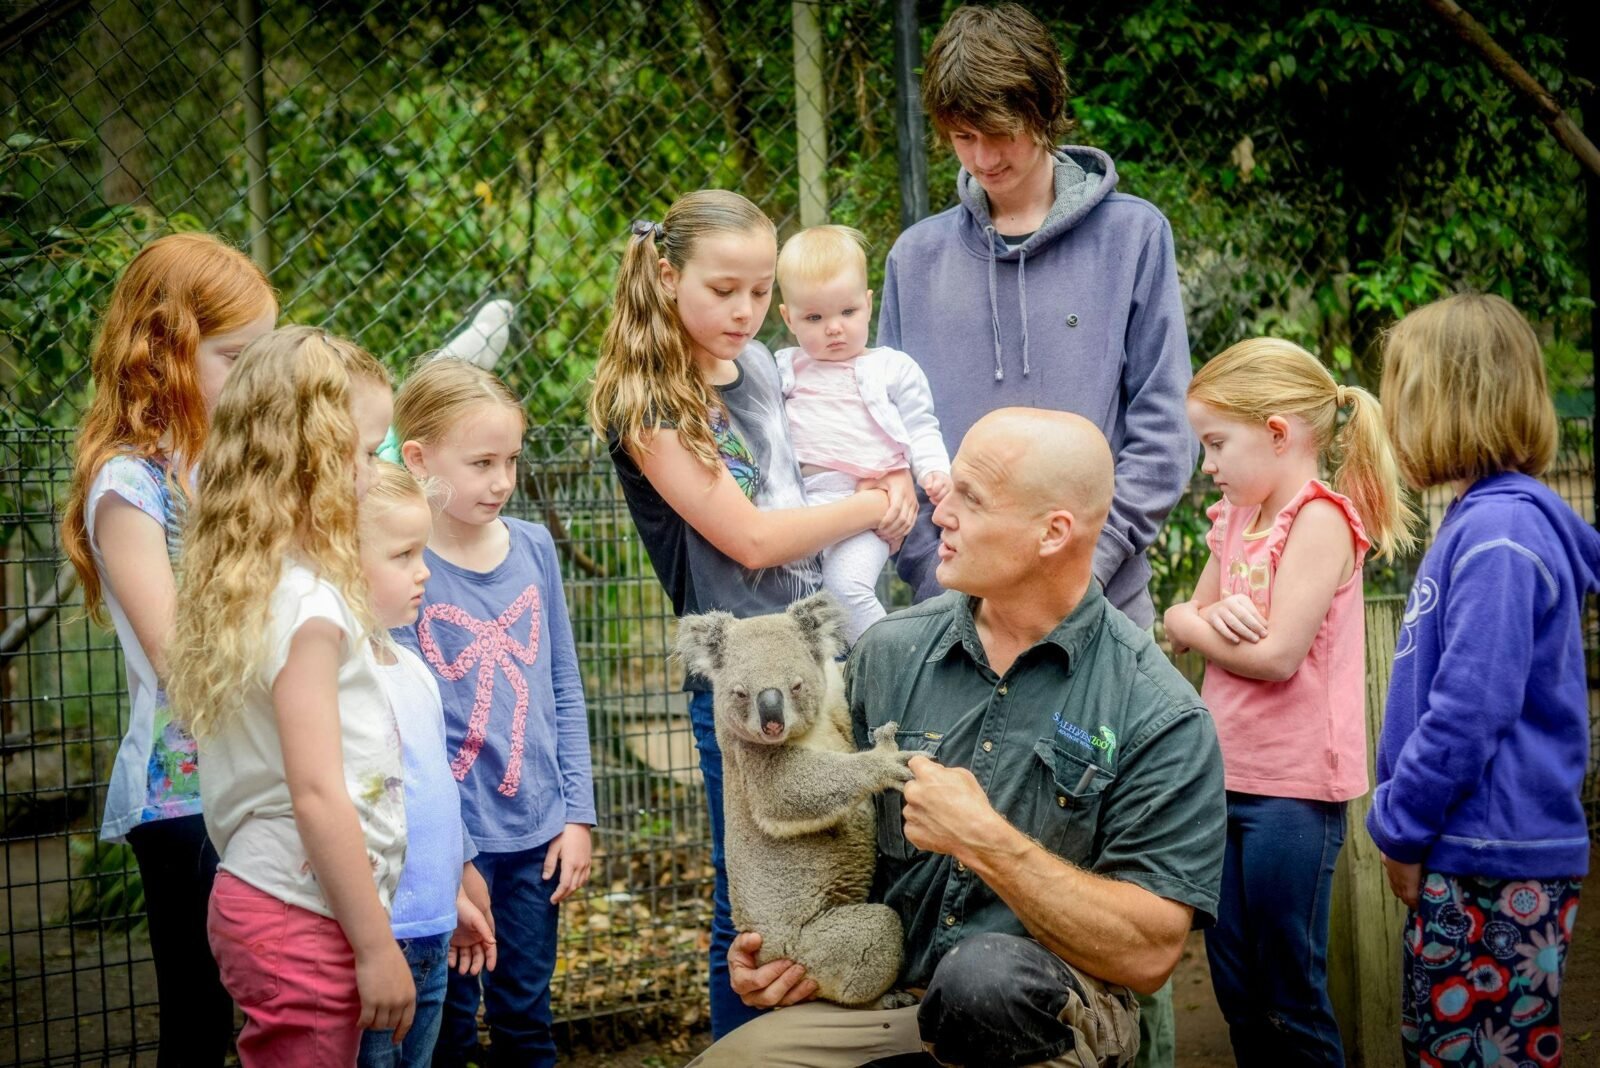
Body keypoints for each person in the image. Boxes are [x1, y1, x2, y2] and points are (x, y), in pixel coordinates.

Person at [692, 409, 1226, 1068]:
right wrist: (784, 953)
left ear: (1052, 532)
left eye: (969, 498)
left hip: (1044, 1015)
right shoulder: (889, 652)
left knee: (984, 985)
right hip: (889, 998)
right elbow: (806, 826)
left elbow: (1147, 956)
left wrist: (985, 841)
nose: (937, 512)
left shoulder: (1158, 712)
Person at [876, 10, 1195, 1049]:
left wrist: (1074, 573)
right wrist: (952, 586)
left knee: (1119, 900)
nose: (982, 158)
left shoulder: (1133, 236)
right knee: (954, 897)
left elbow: (1159, 432)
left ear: (1049, 115)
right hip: (952, 623)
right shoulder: (915, 260)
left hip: (1097, 612)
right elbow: (893, 432)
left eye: (1000, 134)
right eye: (961, 138)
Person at [587, 189, 917, 1038]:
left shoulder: (764, 369)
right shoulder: (650, 408)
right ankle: (750, 1052)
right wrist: (875, 503)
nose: (746, 311)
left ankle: (828, 1037)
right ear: (666, 277)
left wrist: (894, 478)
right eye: (722, 289)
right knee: (754, 901)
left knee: (840, 866)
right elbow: (756, 539)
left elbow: (813, 474)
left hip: (819, 665)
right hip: (743, 688)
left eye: (761, 291)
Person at [1163, 339, 1415, 1065]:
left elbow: (1276, 657)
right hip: (1220, 782)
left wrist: (1196, 625)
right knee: (1236, 987)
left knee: (1289, 991)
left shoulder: (1320, 520)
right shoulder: (1235, 518)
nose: (1207, 465)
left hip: (1293, 792)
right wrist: (1189, 620)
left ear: (1276, 433)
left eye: (1216, 444)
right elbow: (1185, 620)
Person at [60, 232, 276, 1066]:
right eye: (235, 356)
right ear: (164, 353)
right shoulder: (129, 485)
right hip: (186, 797)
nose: (256, 381)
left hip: (257, 773)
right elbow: (179, 658)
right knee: (200, 1020)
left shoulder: (221, 465)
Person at [169, 325, 412, 1066]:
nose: (374, 476)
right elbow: (315, 793)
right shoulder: (308, 608)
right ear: (315, 459)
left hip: (277, 899)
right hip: (297, 914)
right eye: (367, 454)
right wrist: (377, 950)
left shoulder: (255, 585)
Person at [1367, 293, 1595, 1068]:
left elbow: (1470, 709)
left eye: (1404, 396)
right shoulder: (1481, 521)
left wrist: (1400, 822)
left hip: (1490, 860)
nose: (1393, 420)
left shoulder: (1500, 535)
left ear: (1445, 403)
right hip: (1473, 855)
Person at [391, 358, 594, 1068]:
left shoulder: (534, 547)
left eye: (510, 459)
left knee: (525, 1021)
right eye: (481, 462)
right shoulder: (405, 568)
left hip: (538, 838)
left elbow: (563, 684)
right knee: (446, 1027)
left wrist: (577, 813)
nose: (502, 480)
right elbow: (405, 728)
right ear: (418, 460)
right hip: (450, 845)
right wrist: (457, 858)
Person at [355, 463, 498, 1068]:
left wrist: (451, 893)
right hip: (375, 935)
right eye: (403, 555)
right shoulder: (343, 676)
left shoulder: (411, 666)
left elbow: (430, 788)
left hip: (431, 929)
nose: (424, 571)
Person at [774, 224, 952, 643]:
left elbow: (922, 425)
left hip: (864, 509)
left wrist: (933, 470)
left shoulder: (891, 367)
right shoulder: (784, 368)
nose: (833, 328)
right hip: (800, 506)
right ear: (788, 317)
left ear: (869, 305)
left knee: (847, 588)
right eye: (814, 318)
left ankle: (889, 663)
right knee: (797, 605)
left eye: (847, 313)